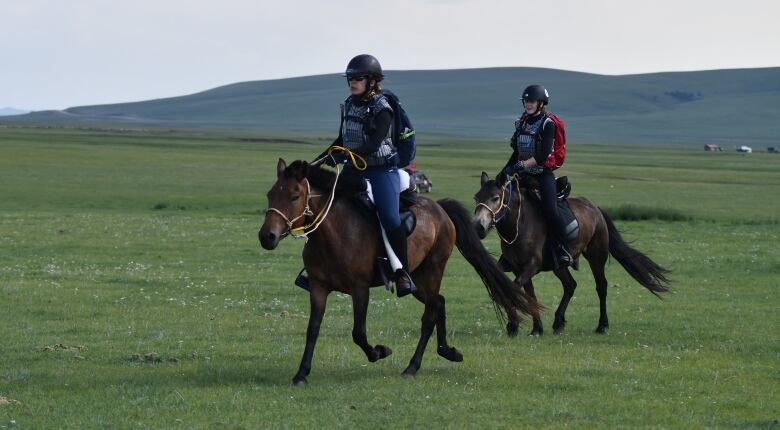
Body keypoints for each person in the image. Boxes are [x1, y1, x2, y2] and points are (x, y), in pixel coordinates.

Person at [318, 54, 417, 297]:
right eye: (350, 78)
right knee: (326, 203)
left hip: (382, 170)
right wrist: (320, 159)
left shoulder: (383, 107)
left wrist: (342, 156)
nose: (352, 82)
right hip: (355, 169)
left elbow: (373, 144)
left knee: (389, 217)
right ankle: (318, 266)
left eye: (358, 78)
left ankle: (402, 272)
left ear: (372, 81)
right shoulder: (349, 104)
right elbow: (342, 140)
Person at [500, 84, 573, 267]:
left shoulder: (548, 124)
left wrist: (518, 166)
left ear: (541, 103)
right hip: (523, 175)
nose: (528, 104)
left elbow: (541, 156)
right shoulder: (522, 122)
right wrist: (504, 171)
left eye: (531, 101)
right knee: (504, 206)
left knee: (550, 210)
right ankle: (509, 254)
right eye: (525, 101)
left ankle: (563, 249)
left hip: (542, 175)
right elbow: (517, 151)